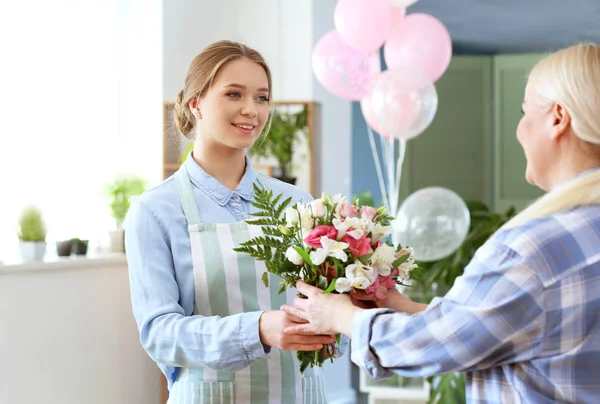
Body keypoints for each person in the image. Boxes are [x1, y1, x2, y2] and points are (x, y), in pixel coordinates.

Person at [282, 43, 600, 403]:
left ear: (558, 118)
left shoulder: (533, 249)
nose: (519, 130)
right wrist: (402, 307)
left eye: (525, 112)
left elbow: (435, 344)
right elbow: (508, 327)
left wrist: (341, 317)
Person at [125, 40, 334, 403]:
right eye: (234, 94)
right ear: (196, 103)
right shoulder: (156, 210)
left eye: (262, 97)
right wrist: (257, 329)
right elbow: (160, 334)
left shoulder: (299, 203)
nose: (251, 110)